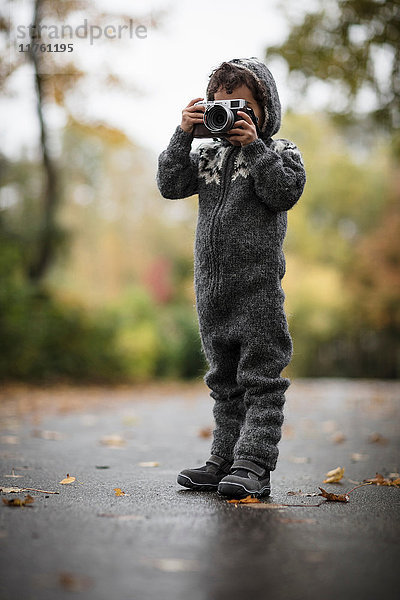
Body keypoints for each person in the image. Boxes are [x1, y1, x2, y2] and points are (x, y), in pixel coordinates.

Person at [156, 57, 306, 499]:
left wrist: (256, 148)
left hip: (257, 292)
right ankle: (224, 458)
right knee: (224, 382)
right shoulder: (206, 156)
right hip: (212, 293)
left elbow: (283, 193)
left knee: (260, 379)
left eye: (239, 105)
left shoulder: (280, 152)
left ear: (264, 110)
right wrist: (183, 134)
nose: (228, 114)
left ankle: (254, 464)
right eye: (217, 106)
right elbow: (168, 184)